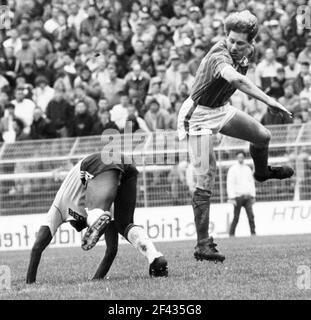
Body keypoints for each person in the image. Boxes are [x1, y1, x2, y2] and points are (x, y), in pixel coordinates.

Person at [177, 10, 294, 263]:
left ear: (250, 43)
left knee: (263, 136)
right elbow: (236, 80)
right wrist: (269, 100)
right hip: (198, 115)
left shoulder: (247, 52)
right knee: (206, 174)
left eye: (240, 42)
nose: (233, 45)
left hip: (220, 109)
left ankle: (261, 173)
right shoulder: (220, 54)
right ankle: (202, 245)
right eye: (230, 39)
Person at [26, 152, 168, 284]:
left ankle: (96, 215)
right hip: (126, 165)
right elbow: (111, 249)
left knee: (96, 212)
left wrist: (30, 282)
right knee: (124, 225)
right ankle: (155, 257)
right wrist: (95, 280)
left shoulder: (59, 207)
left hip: (96, 163)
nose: (79, 230)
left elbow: (38, 246)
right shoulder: (105, 205)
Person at [227, 151, 256, 237]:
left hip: (247, 196)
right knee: (236, 217)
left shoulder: (247, 169)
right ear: (237, 158)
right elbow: (230, 184)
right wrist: (231, 197)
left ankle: (253, 233)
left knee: (251, 216)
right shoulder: (233, 169)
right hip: (237, 197)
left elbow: (251, 183)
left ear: (244, 158)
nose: (240, 159)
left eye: (242, 157)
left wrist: (253, 196)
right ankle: (231, 234)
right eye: (239, 157)